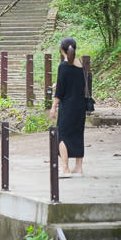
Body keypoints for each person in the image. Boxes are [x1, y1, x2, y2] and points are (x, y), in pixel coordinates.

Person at [50, 37, 86, 175]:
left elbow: (60, 92)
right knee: (78, 134)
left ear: (61, 50)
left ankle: (65, 167)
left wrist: (53, 106)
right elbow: (79, 84)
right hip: (80, 105)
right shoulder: (80, 64)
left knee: (63, 135)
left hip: (68, 106)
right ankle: (78, 167)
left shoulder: (63, 66)